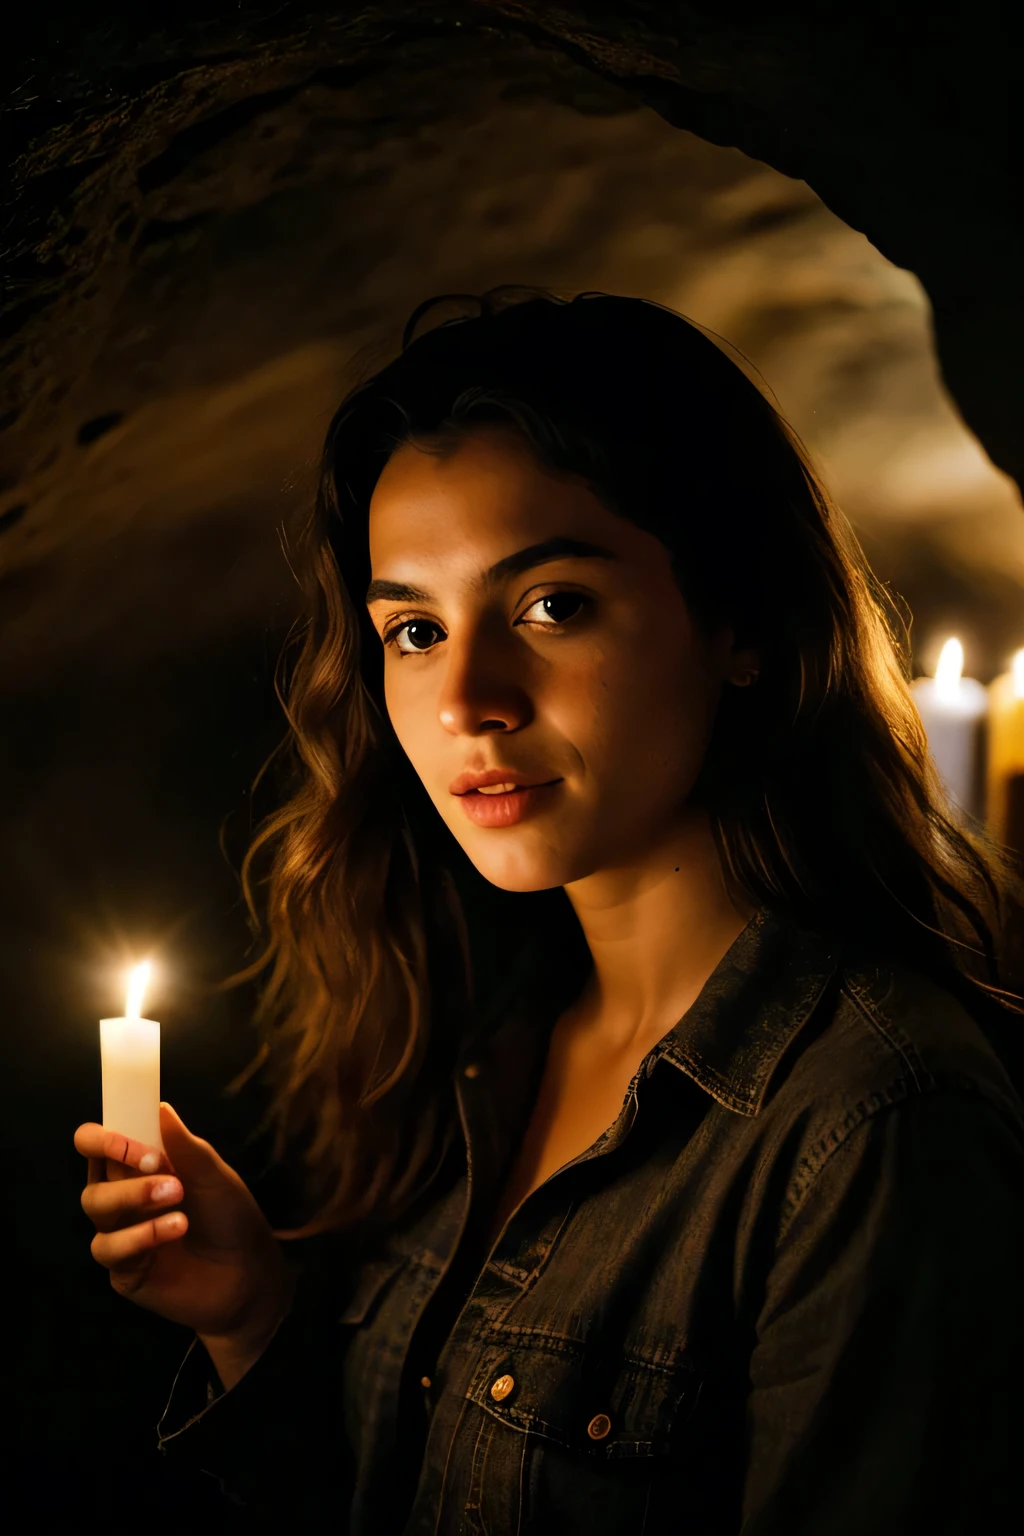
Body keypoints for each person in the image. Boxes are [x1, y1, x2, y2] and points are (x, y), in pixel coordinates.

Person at [75, 288, 1024, 1534]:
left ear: (738, 622)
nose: (467, 697)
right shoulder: (476, 1031)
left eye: (552, 605)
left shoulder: (871, 1122)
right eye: (413, 629)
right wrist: (253, 1318)